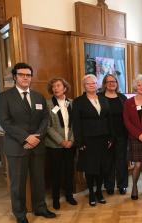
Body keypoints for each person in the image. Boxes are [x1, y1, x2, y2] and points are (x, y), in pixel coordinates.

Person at [0, 63, 56, 223]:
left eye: (28, 75)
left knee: (39, 180)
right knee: (17, 183)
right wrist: (26, 138)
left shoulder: (38, 97)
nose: (25, 77)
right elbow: (5, 121)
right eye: (22, 74)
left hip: (37, 146)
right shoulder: (5, 96)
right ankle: (19, 213)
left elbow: (45, 118)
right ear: (15, 77)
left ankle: (40, 208)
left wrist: (36, 138)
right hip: (17, 147)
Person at [72, 74, 114, 207]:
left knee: (102, 167)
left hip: (103, 138)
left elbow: (109, 119)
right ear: (84, 86)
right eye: (88, 83)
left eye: (94, 82)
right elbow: (76, 123)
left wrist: (111, 136)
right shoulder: (78, 101)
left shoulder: (103, 99)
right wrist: (79, 141)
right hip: (88, 140)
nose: (91, 85)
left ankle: (99, 192)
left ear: (98, 85)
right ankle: (90, 192)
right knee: (91, 168)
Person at [45, 77, 77, 210]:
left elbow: (76, 124)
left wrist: (71, 140)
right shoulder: (47, 104)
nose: (55, 88)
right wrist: (61, 141)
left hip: (70, 144)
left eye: (58, 85)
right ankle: (56, 198)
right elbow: (47, 126)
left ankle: (69, 195)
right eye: (53, 86)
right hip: (54, 145)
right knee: (55, 171)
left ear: (65, 88)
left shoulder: (72, 103)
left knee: (69, 170)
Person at [99, 74, 128, 196]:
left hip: (121, 134)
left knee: (121, 161)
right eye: (109, 82)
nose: (112, 84)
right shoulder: (99, 97)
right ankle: (109, 186)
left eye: (114, 81)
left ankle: (122, 185)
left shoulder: (122, 97)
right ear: (105, 84)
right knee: (108, 161)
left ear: (117, 83)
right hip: (106, 135)